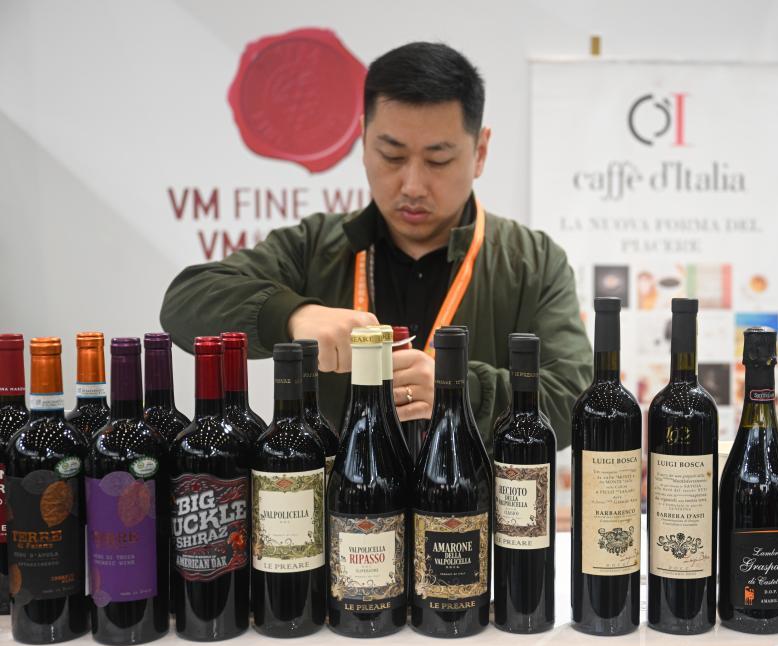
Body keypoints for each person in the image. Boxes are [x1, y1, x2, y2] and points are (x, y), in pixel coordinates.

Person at [160, 41, 592, 451]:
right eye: (392, 156)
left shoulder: (531, 262)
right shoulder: (315, 246)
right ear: (364, 141)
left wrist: (461, 391)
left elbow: (573, 398)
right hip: (341, 500)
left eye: (438, 160)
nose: (413, 185)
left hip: (474, 503)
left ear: (480, 152)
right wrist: (292, 315)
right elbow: (186, 301)